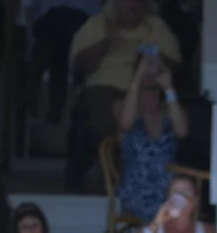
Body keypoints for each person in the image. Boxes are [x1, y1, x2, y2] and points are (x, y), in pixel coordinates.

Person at [67, 0, 182, 189]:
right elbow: (79, 64)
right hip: (104, 86)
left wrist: (155, 57)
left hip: (147, 89)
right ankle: (112, 172)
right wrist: (107, 43)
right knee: (105, 111)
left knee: (155, 114)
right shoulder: (97, 24)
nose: (134, 5)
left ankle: (140, 174)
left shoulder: (156, 27)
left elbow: (176, 65)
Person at [117, 49, 188, 223]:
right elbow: (125, 123)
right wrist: (138, 78)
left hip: (169, 187)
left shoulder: (170, 109)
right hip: (138, 188)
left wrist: (169, 88)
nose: (151, 70)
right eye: (146, 65)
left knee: (183, 198)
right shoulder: (123, 106)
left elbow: (182, 130)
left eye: (155, 65)